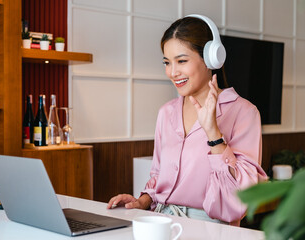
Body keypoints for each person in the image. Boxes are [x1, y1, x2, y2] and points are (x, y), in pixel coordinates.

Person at [107, 14, 268, 226]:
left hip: (210, 229)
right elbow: (158, 176)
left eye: (182, 61)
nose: (173, 72)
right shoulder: (166, 112)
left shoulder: (244, 112)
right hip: (161, 223)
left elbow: (240, 201)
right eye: (167, 62)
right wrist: (142, 201)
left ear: (211, 59)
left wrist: (214, 135)